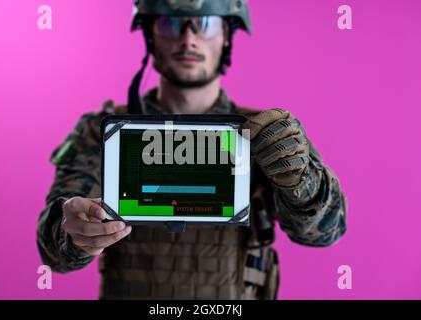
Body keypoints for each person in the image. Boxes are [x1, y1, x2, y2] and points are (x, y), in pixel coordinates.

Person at [37, 0, 347, 300]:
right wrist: (74, 233)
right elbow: (54, 251)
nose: (189, 38)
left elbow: (325, 232)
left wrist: (301, 182)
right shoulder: (100, 132)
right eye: (170, 23)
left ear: (227, 35)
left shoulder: (268, 134)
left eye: (206, 23)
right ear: (149, 33)